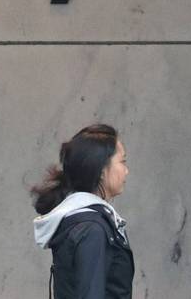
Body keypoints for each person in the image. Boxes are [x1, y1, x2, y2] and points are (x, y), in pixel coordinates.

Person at [30, 124, 134, 299]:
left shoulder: (84, 221)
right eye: (122, 162)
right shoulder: (92, 228)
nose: (126, 171)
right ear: (101, 170)